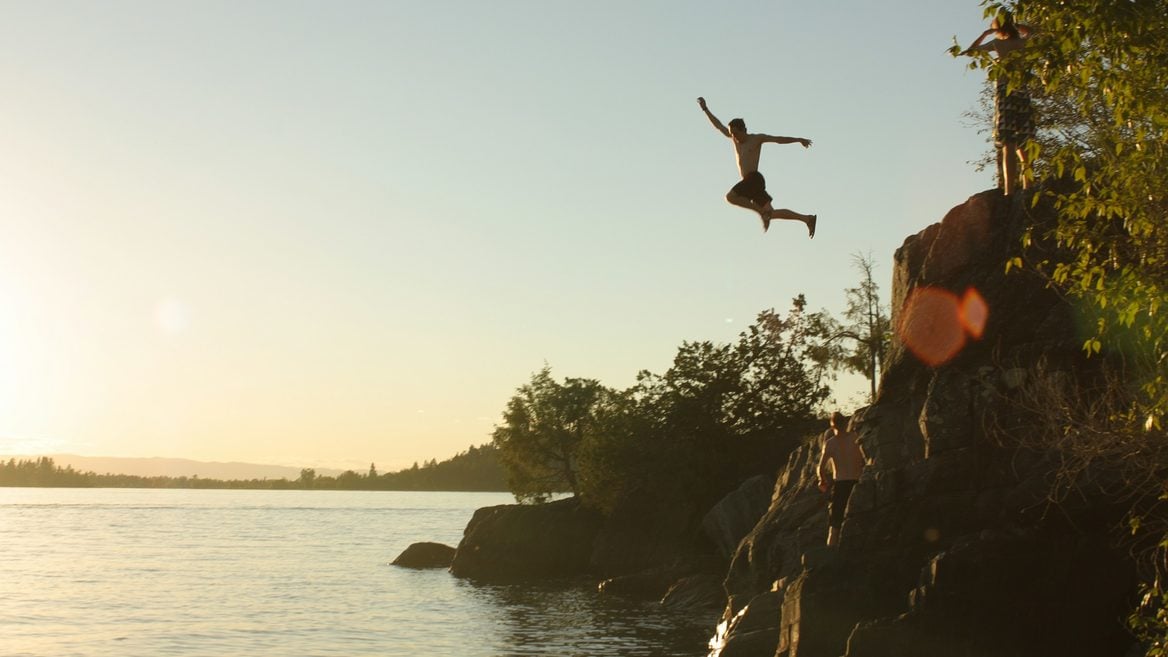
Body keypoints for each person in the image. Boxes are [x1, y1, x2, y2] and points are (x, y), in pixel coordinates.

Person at [697, 97, 817, 237]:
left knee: (730, 197)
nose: (734, 137)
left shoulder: (756, 139)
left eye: (736, 133)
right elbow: (718, 125)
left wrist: (798, 140)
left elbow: (778, 139)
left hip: (754, 179)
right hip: (751, 184)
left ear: (743, 130)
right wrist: (705, 109)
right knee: (771, 214)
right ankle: (807, 219)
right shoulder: (734, 140)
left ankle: (761, 212)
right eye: (732, 134)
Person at [961, 13, 1036, 197]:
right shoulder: (1022, 43)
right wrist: (1014, 25)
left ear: (997, 27)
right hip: (1022, 90)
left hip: (1005, 91)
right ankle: (1028, 186)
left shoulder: (998, 44)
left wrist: (987, 33)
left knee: (1008, 141)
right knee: (1024, 142)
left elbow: (970, 51)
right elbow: (1034, 31)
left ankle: (1010, 191)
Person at [817, 411, 864, 547]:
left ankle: (831, 550)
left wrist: (822, 480)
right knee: (857, 517)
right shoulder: (855, 437)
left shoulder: (830, 444)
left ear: (832, 427)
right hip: (857, 482)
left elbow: (820, 468)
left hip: (841, 484)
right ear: (845, 423)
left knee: (835, 523)